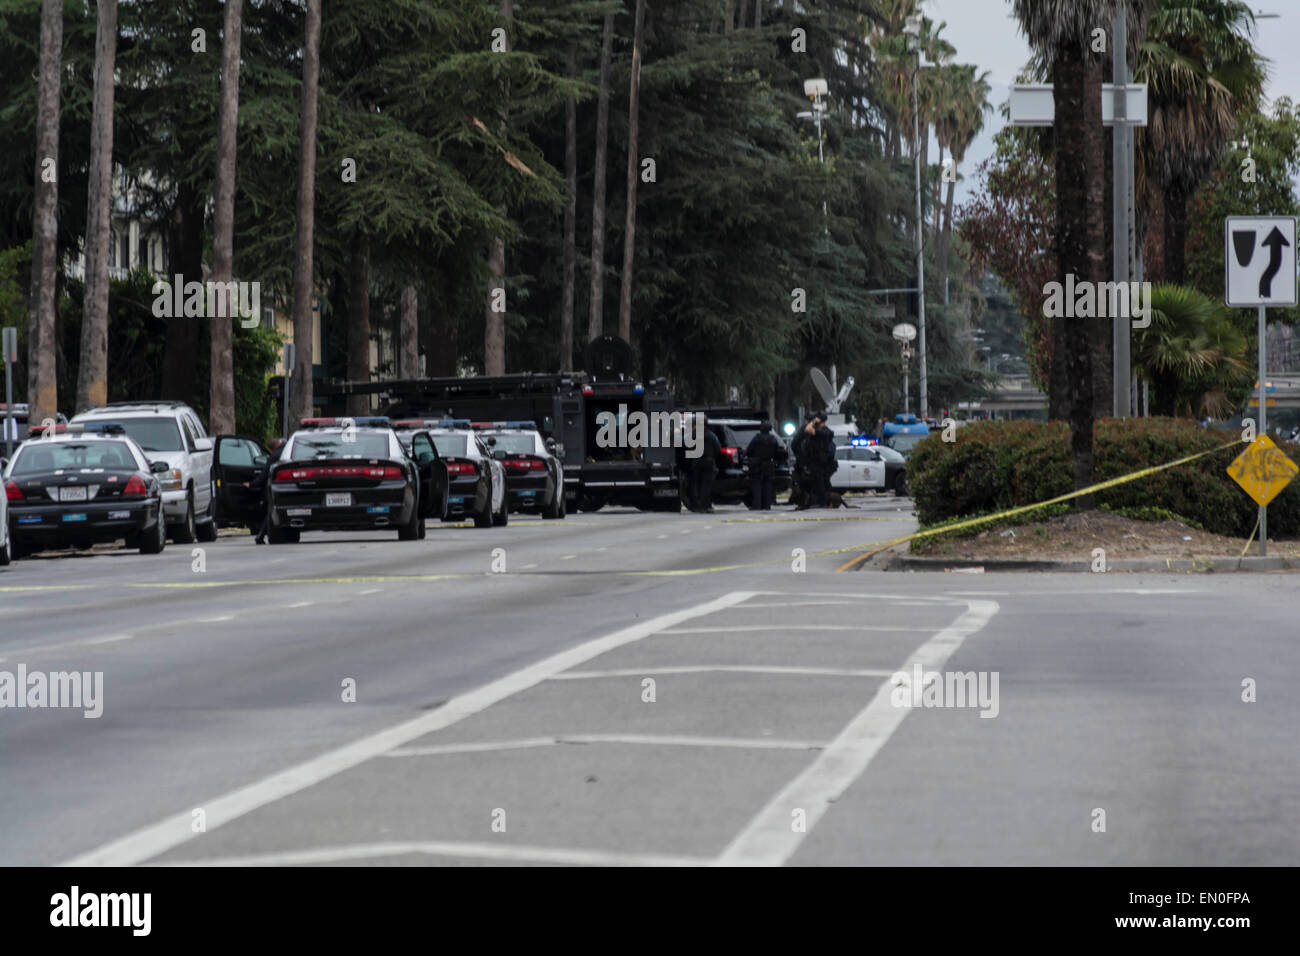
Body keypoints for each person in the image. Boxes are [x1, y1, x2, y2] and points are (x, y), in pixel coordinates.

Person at [253, 437, 286, 544]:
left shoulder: (274, 456)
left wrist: (253, 484)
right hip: (290, 485)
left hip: (276, 486)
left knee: (271, 510)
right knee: (272, 512)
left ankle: (260, 535)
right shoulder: (288, 450)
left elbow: (265, 474)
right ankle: (260, 535)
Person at [745, 421, 782, 510]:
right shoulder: (773, 439)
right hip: (769, 464)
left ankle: (757, 505)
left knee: (757, 485)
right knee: (767, 485)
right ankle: (767, 505)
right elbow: (777, 452)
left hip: (757, 464)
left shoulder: (756, 438)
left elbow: (749, 450)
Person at [689, 419, 721, 513]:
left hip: (696, 461)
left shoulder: (693, 435)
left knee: (697, 484)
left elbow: (687, 447)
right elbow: (718, 448)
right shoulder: (711, 435)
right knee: (706, 485)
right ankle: (705, 505)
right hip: (708, 461)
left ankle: (698, 505)